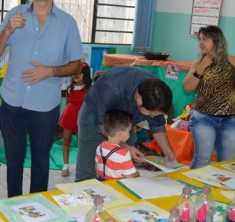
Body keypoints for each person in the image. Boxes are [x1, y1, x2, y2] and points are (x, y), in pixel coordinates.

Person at [0, 0, 83, 197]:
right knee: (14, 161)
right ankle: (14, 205)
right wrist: (8, 29)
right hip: (12, 102)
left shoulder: (67, 24)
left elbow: (77, 66)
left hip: (45, 106)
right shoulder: (15, 15)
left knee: (41, 163)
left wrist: (51, 71)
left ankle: (37, 211)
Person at [75, 66, 176, 182]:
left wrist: (168, 152)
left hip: (124, 121)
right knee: (88, 173)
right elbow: (101, 125)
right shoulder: (113, 88)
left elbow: (157, 125)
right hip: (95, 118)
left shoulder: (156, 92)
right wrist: (126, 147)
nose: (152, 117)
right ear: (139, 100)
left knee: (120, 172)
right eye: (150, 114)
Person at [183, 25, 235, 169]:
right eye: (200, 39)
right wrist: (202, 67)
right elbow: (187, 88)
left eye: (205, 39)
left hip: (230, 119)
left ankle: (222, 190)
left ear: (216, 41)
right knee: (202, 159)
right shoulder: (198, 64)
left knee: (228, 163)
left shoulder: (232, 61)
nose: (201, 43)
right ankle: (195, 190)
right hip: (203, 119)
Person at [58, 62, 92, 177]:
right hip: (70, 116)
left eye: (79, 73)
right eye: (74, 73)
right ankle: (65, 165)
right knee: (66, 140)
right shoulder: (70, 88)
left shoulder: (90, 89)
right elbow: (69, 103)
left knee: (81, 142)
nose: (76, 76)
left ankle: (81, 165)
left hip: (82, 118)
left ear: (85, 74)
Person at [95, 109, 140, 180]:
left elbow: (97, 168)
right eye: (128, 131)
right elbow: (130, 176)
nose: (129, 134)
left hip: (104, 182)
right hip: (117, 186)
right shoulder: (124, 153)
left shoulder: (100, 147)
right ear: (120, 133)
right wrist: (137, 173)